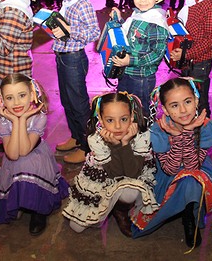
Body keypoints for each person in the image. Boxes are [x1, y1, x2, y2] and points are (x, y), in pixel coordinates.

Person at [131, 78, 212, 249]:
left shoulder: (206, 127)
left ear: (196, 101)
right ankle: (185, 207)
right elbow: (170, 168)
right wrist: (177, 136)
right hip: (167, 173)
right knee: (185, 178)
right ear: (165, 110)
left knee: (191, 179)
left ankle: (190, 216)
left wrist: (188, 133)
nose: (183, 110)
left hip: (197, 168)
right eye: (174, 105)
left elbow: (192, 166)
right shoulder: (158, 130)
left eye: (188, 102)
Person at [62, 92, 158, 237]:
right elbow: (113, 173)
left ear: (132, 117)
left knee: (130, 192)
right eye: (110, 120)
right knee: (77, 227)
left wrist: (124, 144)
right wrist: (115, 146)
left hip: (131, 175)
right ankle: (109, 206)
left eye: (124, 119)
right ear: (100, 119)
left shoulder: (141, 134)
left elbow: (131, 174)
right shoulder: (95, 139)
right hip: (104, 178)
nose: (118, 126)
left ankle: (120, 209)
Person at [40, 0, 101, 164]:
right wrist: (51, 28)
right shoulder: (67, 2)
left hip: (74, 58)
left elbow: (94, 32)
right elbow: (61, 32)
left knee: (79, 103)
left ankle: (88, 147)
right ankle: (77, 136)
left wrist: (68, 29)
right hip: (62, 56)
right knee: (67, 101)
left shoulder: (81, 3)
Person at [0, 74, 69, 234]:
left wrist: (21, 119)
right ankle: (19, 200)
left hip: (36, 157)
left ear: (32, 95)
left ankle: (38, 211)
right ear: (1, 100)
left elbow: (25, 150)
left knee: (26, 163)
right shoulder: (3, 122)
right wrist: (16, 120)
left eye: (22, 95)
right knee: (18, 163)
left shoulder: (39, 117)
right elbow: (12, 154)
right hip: (14, 159)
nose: (17, 102)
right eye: (9, 98)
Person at [110, 0, 171, 114]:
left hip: (142, 77)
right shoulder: (138, 14)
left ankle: (143, 134)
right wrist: (118, 20)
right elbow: (129, 36)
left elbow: (157, 54)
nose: (142, 0)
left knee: (141, 110)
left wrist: (130, 60)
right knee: (125, 107)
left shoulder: (156, 21)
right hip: (126, 72)